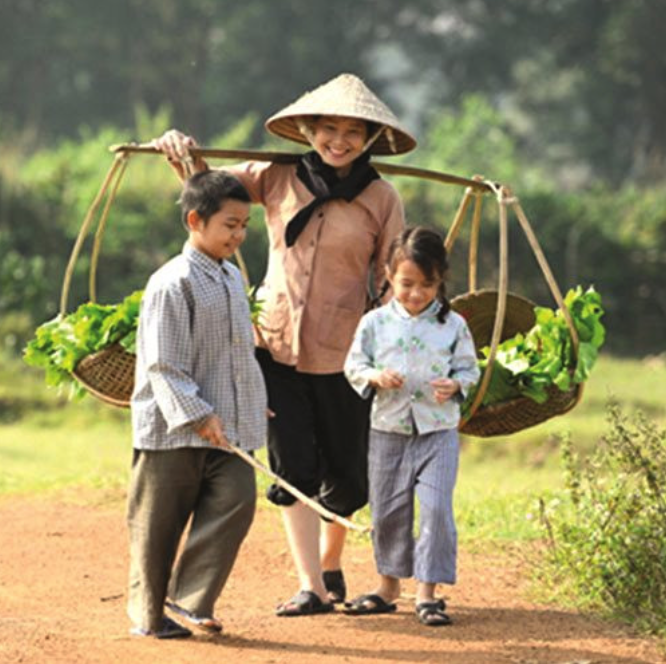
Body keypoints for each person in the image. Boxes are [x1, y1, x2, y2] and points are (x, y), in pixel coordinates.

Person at [153, 73, 416, 616]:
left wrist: (395, 333)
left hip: (348, 353)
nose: (338, 141)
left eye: (352, 132)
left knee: (348, 473)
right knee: (291, 465)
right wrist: (181, 150)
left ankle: (330, 561)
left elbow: (394, 273)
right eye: (328, 129)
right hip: (275, 347)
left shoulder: (381, 197)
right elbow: (208, 189)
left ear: (369, 138)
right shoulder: (276, 176)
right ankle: (311, 586)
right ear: (309, 131)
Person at [126, 170, 268, 638]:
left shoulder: (231, 278)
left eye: (244, 225)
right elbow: (163, 364)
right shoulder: (172, 282)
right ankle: (149, 618)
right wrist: (198, 414)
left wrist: (252, 402)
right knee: (158, 527)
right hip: (172, 431)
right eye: (230, 224)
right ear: (195, 220)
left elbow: (238, 353)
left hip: (226, 429)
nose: (239, 235)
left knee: (237, 500)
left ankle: (189, 600)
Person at [343, 226, 480, 626]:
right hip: (388, 429)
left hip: (438, 431)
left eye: (427, 285)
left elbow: (470, 370)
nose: (416, 294)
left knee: (436, 509)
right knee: (388, 510)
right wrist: (375, 376)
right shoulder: (374, 323)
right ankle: (388, 587)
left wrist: (456, 385)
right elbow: (354, 365)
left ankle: (427, 594)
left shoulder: (454, 325)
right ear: (388, 275)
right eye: (406, 284)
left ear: (441, 280)